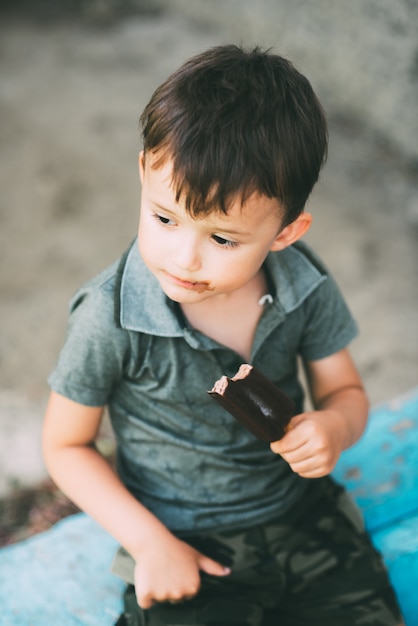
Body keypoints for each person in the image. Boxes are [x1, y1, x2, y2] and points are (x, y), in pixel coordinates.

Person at [42, 45, 404, 626]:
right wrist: (150, 544)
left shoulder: (303, 286)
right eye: (165, 218)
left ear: (286, 232)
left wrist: (334, 426)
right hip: (186, 541)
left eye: (223, 240)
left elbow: (344, 392)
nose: (183, 258)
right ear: (143, 172)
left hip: (303, 518)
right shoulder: (109, 317)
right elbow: (65, 446)